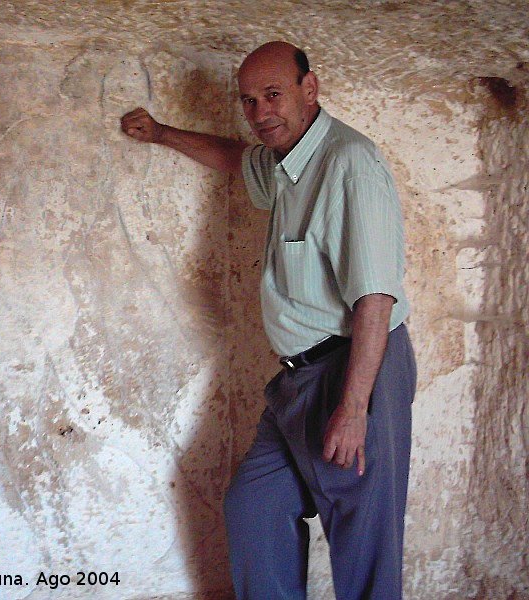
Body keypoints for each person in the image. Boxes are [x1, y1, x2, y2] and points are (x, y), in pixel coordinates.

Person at [120, 41, 416, 600]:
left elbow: (376, 299)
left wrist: (355, 410)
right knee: (255, 506)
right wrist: (162, 134)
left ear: (311, 89)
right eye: (249, 101)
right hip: (298, 380)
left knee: (363, 549)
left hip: (354, 371)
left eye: (273, 95)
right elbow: (234, 158)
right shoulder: (284, 160)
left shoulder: (348, 162)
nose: (260, 113)